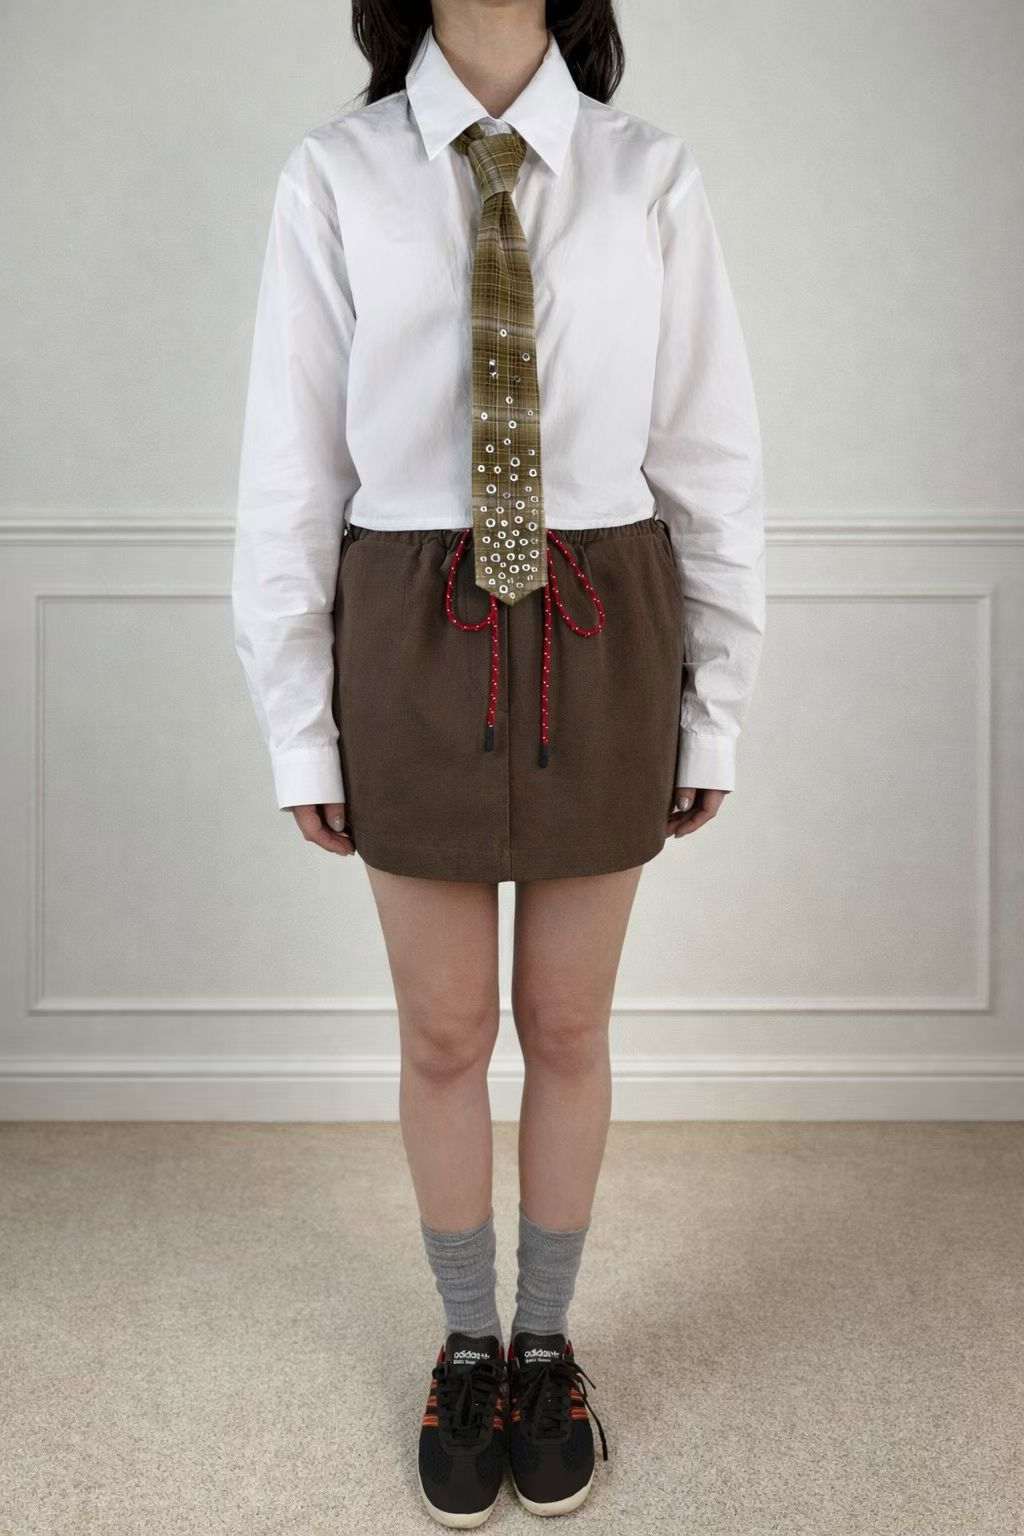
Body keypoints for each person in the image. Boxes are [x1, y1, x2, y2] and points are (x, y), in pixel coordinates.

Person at [231, 0, 765, 1524]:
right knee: (446, 1028)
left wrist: (716, 697)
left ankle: (548, 1344)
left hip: (603, 610)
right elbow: (289, 464)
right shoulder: (336, 174)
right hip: (409, 616)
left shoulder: (648, 173)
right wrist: (298, 716)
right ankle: (467, 1345)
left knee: (570, 1022)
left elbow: (711, 453)